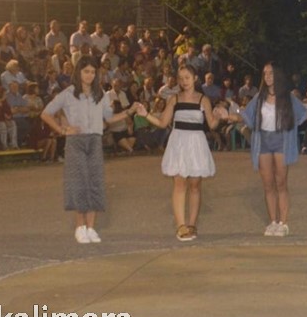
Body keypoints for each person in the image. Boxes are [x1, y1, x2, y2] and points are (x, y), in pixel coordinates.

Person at [41, 56, 142, 244]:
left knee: (95, 182)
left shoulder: (100, 94)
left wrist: (130, 110)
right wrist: (63, 130)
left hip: (95, 140)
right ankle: (80, 227)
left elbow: (109, 118)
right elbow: (46, 113)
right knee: (79, 183)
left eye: (93, 72)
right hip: (76, 142)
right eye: (86, 71)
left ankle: (91, 227)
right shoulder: (68, 93)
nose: (89, 75)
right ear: (78, 72)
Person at [226, 62, 307, 236]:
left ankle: (283, 223)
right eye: (265, 73)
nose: (267, 76)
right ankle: (273, 222)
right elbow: (245, 116)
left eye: (271, 73)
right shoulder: (259, 97)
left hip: (282, 141)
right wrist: (227, 116)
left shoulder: (288, 98)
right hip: (263, 142)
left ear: (278, 75)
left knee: (281, 183)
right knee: (268, 185)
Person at [136, 66, 220, 241]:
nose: (184, 81)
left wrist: (219, 115)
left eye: (187, 77)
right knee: (179, 183)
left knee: (195, 185)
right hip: (179, 143)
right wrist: (146, 114)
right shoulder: (174, 98)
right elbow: (162, 122)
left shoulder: (203, 99)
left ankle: (192, 224)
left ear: (195, 78)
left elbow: (212, 124)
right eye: (181, 78)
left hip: (196, 144)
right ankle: (181, 226)